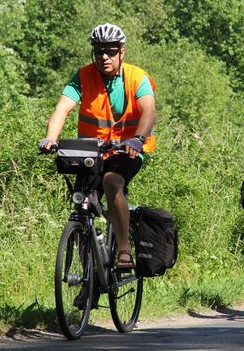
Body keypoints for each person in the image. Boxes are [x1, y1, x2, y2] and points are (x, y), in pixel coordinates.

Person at [39, 23, 157, 272]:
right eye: (99, 51)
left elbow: (149, 111)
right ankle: (89, 280)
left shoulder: (137, 77)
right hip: (92, 153)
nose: (104, 56)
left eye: (110, 51)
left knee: (112, 183)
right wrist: (50, 138)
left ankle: (124, 251)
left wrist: (138, 138)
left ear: (121, 52)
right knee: (82, 207)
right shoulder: (83, 76)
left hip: (128, 150)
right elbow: (62, 108)